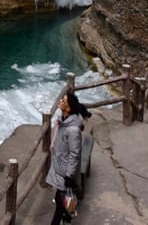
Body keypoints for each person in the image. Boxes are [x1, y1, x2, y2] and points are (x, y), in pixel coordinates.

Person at [46, 91, 91, 224]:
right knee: (60, 198)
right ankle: (67, 216)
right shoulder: (63, 121)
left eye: (63, 101)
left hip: (65, 172)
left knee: (60, 200)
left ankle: (65, 218)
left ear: (69, 108)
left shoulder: (72, 130)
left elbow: (75, 154)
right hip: (60, 167)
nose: (60, 101)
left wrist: (69, 176)